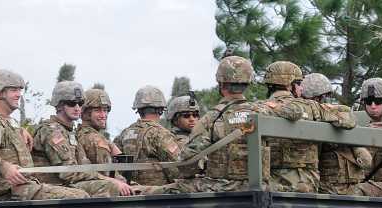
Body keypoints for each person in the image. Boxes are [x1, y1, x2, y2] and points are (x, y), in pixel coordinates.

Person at [176, 55, 301, 193]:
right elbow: (295, 112)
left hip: (224, 189)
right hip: (262, 187)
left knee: (173, 188)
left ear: (221, 84)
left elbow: (186, 164)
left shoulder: (211, 118)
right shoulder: (264, 110)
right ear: (248, 83)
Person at [0, 69, 87, 201]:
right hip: (7, 191)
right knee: (80, 197)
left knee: (81, 193)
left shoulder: (6, 122)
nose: (18, 95)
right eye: (14, 90)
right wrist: (5, 167)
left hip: (23, 187)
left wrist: (20, 130)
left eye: (19, 90)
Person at [263, 61, 356, 193]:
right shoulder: (311, 107)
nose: (302, 89)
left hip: (270, 186)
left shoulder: (259, 108)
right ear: (290, 86)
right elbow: (349, 118)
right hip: (305, 187)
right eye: (299, 84)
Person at [32, 81, 132, 196]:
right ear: (59, 105)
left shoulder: (69, 132)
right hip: (54, 187)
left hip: (68, 185)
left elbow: (84, 166)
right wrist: (108, 180)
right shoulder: (52, 130)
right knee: (111, 188)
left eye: (80, 103)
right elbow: (69, 172)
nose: (77, 108)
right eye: (71, 103)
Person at [302, 73, 382, 197]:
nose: (373, 106)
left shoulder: (336, 118)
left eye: (378, 101)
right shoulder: (323, 116)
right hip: (324, 188)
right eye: (368, 101)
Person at [113, 86, 183, 186]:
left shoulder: (124, 133)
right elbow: (177, 169)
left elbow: (115, 165)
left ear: (138, 109)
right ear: (161, 109)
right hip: (158, 196)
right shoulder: (160, 134)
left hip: (131, 193)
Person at [77, 87, 122, 176]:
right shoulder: (95, 139)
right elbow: (109, 174)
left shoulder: (79, 133)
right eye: (97, 111)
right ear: (86, 114)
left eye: (105, 110)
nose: (103, 115)